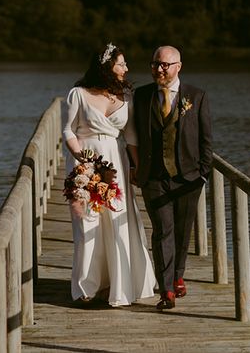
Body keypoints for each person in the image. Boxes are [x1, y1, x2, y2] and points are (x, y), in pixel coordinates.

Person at [62, 43, 156, 307]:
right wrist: (80, 156)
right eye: (121, 64)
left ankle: (118, 284)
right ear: (106, 67)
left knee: (116, 219)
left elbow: (131, 135)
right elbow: (68, 130)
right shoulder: (77, 94)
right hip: (86, 161)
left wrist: (137, 166)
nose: (126, 68)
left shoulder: (126, 97)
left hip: (115, 160)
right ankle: (86, 288)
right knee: (88, 221)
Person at [130, 45, 213, 310]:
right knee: (162, 230)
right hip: (154, 178)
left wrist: (203, 173)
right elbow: (131, 135)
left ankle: (178, 275)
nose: (159, 69)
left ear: (179, 66)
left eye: (165, 65)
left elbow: (206, 139)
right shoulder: (141, 96)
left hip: (188, 177)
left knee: (182, 229)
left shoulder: (196, 96)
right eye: (155, 64)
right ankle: (166, 291)